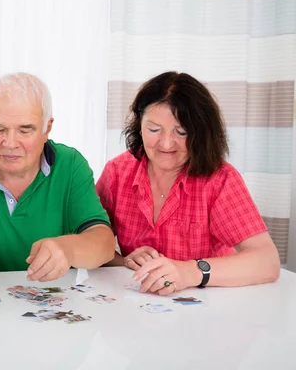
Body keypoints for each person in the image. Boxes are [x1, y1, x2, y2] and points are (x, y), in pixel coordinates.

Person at [0, 72, 115, 311]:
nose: (10, 143)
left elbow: (103, 243)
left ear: (47, 127)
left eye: (25, 130)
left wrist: (67, 249)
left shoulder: (71, 165)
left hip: (56, 310)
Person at [96, 71, 280, 295]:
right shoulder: (118, 172)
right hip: (137, 307)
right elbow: (91, 242)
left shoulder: (220, 179)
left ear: (201, 133)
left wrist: (189, 271)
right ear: (139, 124)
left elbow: (267, 261)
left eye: (181, 131)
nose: (166, 143)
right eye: (153, 129)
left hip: (209, 310)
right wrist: (123, 261)